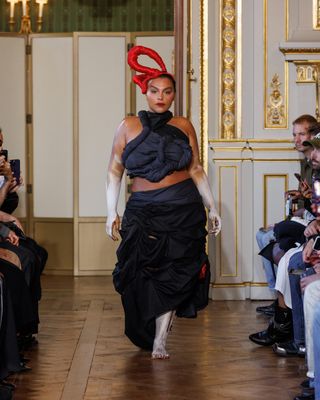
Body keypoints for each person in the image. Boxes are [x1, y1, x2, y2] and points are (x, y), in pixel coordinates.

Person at [106, 45, 221, 359]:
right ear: (145, 91)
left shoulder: (183, 125)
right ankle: (149, 329)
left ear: (173, 95)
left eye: (167, 91)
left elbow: (196, 168)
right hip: (142, 210)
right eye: (155, 90)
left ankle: (160, 340)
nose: (160, 96)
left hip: (183, 209)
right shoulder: (127, 125)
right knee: (138, 272)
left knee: (176, 271)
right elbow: (115, 170)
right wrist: (110, 211)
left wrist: (212, 205)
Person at [256, 115, 317, 317]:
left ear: (313, 135)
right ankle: (278, 298)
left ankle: (282, 306)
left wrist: (306, 200)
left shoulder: (314, 162)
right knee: (262, 234)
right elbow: (312, 200)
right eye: (294, 135)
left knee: (270, 237)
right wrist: (302, 196)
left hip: (311, 223)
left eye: (301, 134)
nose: (297, 140)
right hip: (308, 218)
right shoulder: (307, 162)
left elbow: (314, 204)